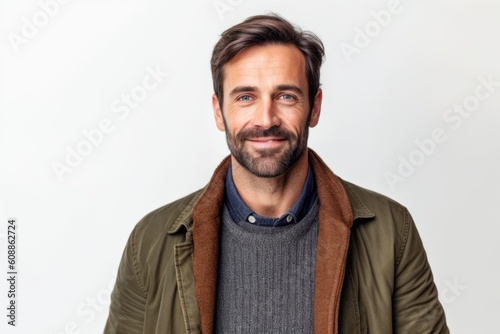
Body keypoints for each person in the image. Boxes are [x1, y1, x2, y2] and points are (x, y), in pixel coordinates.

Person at [104, 14, 449, 334]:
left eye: (286, 95)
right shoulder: (150, 241)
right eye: (245, 97)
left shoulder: (391, 232)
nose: (265, 119)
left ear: (314, 107)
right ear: (219, 112)